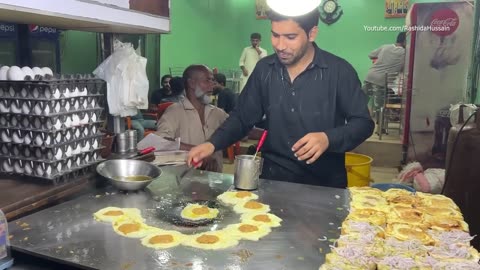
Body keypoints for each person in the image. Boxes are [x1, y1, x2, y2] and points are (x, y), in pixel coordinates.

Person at [187, 8, 374, 188]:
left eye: (290, 37)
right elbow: (242, 117)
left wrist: (328, 138)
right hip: (273, 182)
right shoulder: (264, 70)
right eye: (275, 35)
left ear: (312, 33)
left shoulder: (339, 72)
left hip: (325, 185)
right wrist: (212, 144)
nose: (280, 45)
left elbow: (363, 123)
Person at [156, 65, 228, 173]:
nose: (212, 85)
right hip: (184, 181)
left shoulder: (217, 113)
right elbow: (160, 141)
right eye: (207, 80)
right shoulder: (174, 111)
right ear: (191, 83)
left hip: (214, 180)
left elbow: (240, 128)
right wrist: (199, 151)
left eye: (213, 80)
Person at [363, 32, 406, 119]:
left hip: (370, 76)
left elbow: (371, 55)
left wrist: (382, 59)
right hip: (381, 81)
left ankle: (360, 117)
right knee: (379, 106)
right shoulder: (405, 53)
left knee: (361, 99)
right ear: (405, 41)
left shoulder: (385, 46)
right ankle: (380, 127)